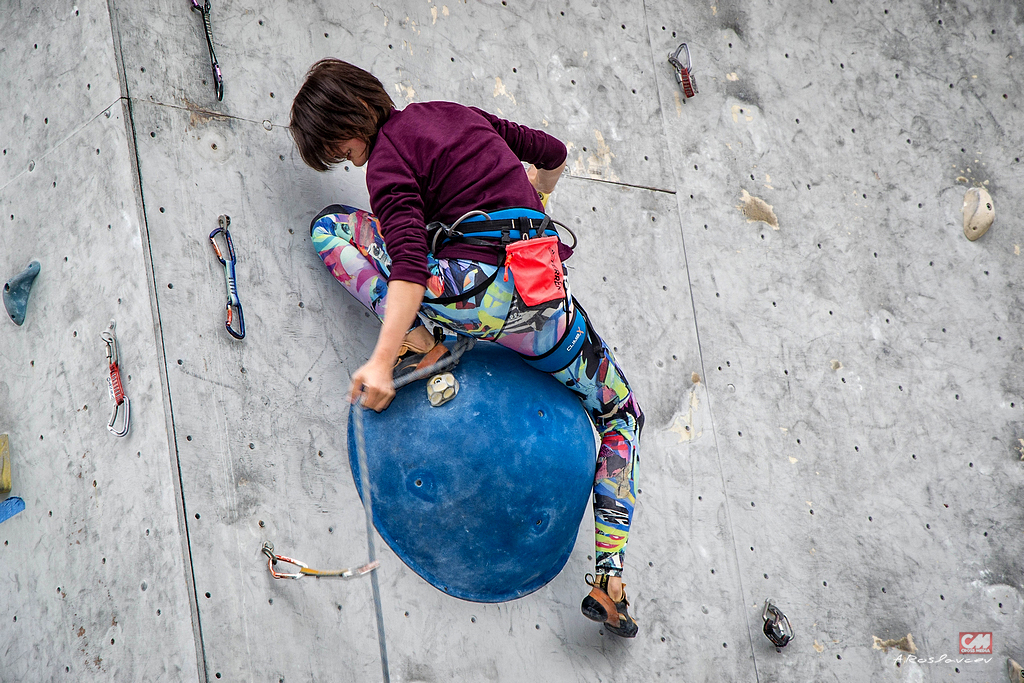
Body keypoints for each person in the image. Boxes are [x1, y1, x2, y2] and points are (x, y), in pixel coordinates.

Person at [290, 58, 644, 638]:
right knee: (621, 412)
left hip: (468, 297)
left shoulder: (387, 160)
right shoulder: (457, 113)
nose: (348, 161)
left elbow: (406, 268)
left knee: (330, 228)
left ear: (349, 123)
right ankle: (609, 575)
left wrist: (382, 360)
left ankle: (425, 341)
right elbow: (553, 151)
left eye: (338, 149)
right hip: (541, 305)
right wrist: (538, 198)